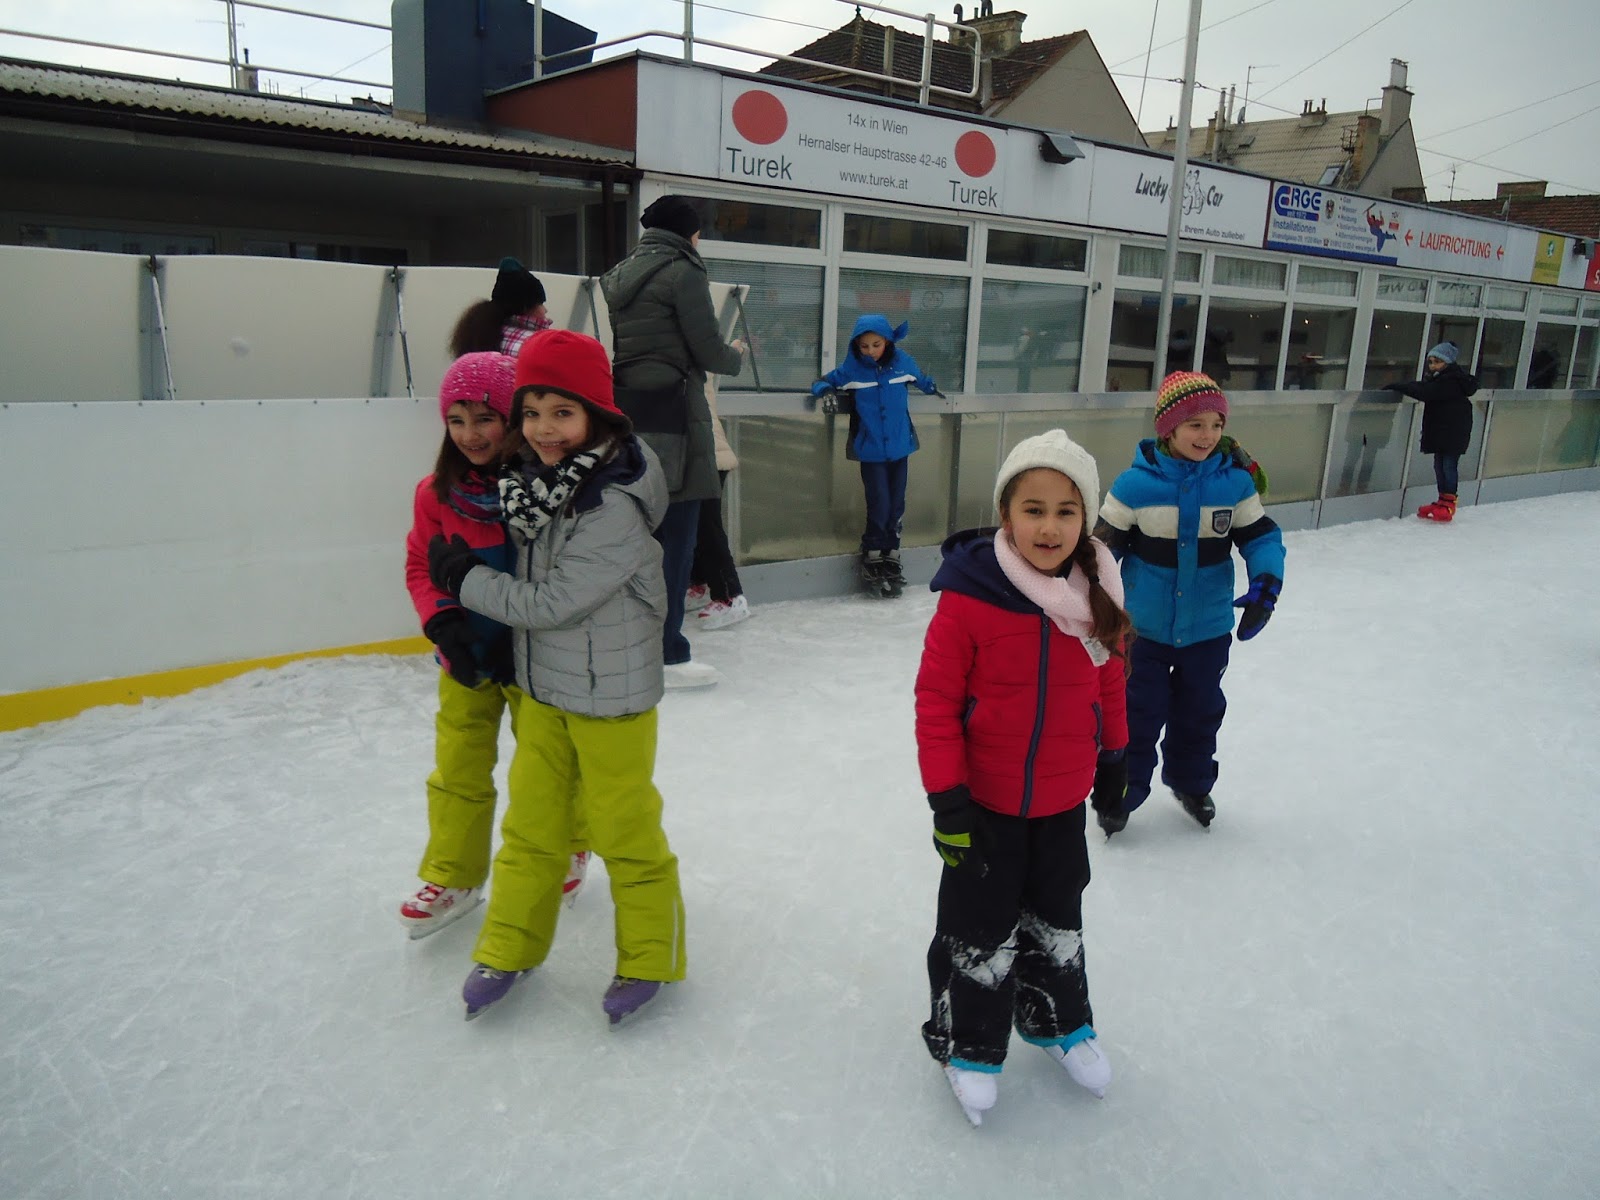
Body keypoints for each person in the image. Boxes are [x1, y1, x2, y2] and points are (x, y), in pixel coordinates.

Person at [426, 330, 686, 1025]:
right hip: (543, 690)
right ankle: (507, 948)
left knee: (625, 835)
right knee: (531, 829)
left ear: (597, 416)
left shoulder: (612, 502)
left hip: (612, 699)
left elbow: (550, 603)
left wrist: (463, 580)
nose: (544, 429)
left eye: (562, 413)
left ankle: (650, 957)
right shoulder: (532, 484)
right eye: (533, 412)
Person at [913, 428, 1132, 1126]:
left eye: (1066, 511)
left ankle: (1056, 1019)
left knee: (1058, 916)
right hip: (984, 802)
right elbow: (936, 702)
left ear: (1086, 518)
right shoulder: (970, 596)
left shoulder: (1097, 592)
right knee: (978, 927)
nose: (1048, 527)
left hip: (1062, 798)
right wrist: (947, 799)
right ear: (1005, 513)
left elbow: (1110, 683)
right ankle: (969, 1044)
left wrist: (1115, 759)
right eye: (1032, 509)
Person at [399, 352, 588, 938]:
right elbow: (420, 565)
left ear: (511, 419)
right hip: (465, 657)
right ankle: (453, 875)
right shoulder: (435, 493)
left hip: (538, 659)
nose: (470, 435)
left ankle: (572, 842)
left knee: (548, 769)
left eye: (484, 418)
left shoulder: (544, 494)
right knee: (457, 769)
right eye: (456, 421)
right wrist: (442, 624)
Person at [1094, 370, 1285, 835]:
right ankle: (1122, 792)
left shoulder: (1234, 484)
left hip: (1207, 627)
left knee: (1200, 711)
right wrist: (1089, 600)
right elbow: (1102, 550)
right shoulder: (1134, 486)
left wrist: (1266, 583)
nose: (1207, 435)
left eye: (1216, 425)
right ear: (1168, 428)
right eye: (1195, 424)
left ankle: (1192, 783)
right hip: (1143, 630)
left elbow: (1261, 538)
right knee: (1136, 714)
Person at [599, 195, 745, 689]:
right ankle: (667, 652)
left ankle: (633, 641)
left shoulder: (621, 276)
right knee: (679, 534)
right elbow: (707, 349)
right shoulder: (684, 271)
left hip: (632, 410)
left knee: (640, 531)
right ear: (687, 231)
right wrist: (734, 355)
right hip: (678, 410)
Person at [810, 314, 938, 593]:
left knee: (896, 504)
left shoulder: (902, 363)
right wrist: (826, 391)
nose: (870, 351)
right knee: (879, 503)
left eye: (876, 345)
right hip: (870, 451)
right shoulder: (852, 369)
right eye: (864, 346)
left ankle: (892, 554)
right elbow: (821, 381)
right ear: (856, 346)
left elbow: (922, 379)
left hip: (900, 447)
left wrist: (931, 387)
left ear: (887, 342)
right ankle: (872, 555)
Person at [1382, 341, 1479, 522]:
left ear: (1447, 362)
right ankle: (1443, 501)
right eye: (1431, 361)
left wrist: (1398, 386)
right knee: (1439, 465)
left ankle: (1449, 503)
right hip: (1444, 430)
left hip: (1453, 431)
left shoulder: (1451, 380)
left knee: (1448, 465)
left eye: (1437, 361)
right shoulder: (1441, 378)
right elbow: (1425, 388)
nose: (1433, 365)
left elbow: (1426, 392)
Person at [686, 374, 752, 630]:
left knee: (707, 526)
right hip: (692, 452)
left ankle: (730, 596)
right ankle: (698, 581)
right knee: (691, 524)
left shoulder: (691, 360)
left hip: (708, 453)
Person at [449, 257, 552, 359]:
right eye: (541, 304)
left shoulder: (482, 334)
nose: (545, 310)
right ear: (525, 307)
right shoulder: (535, 345)